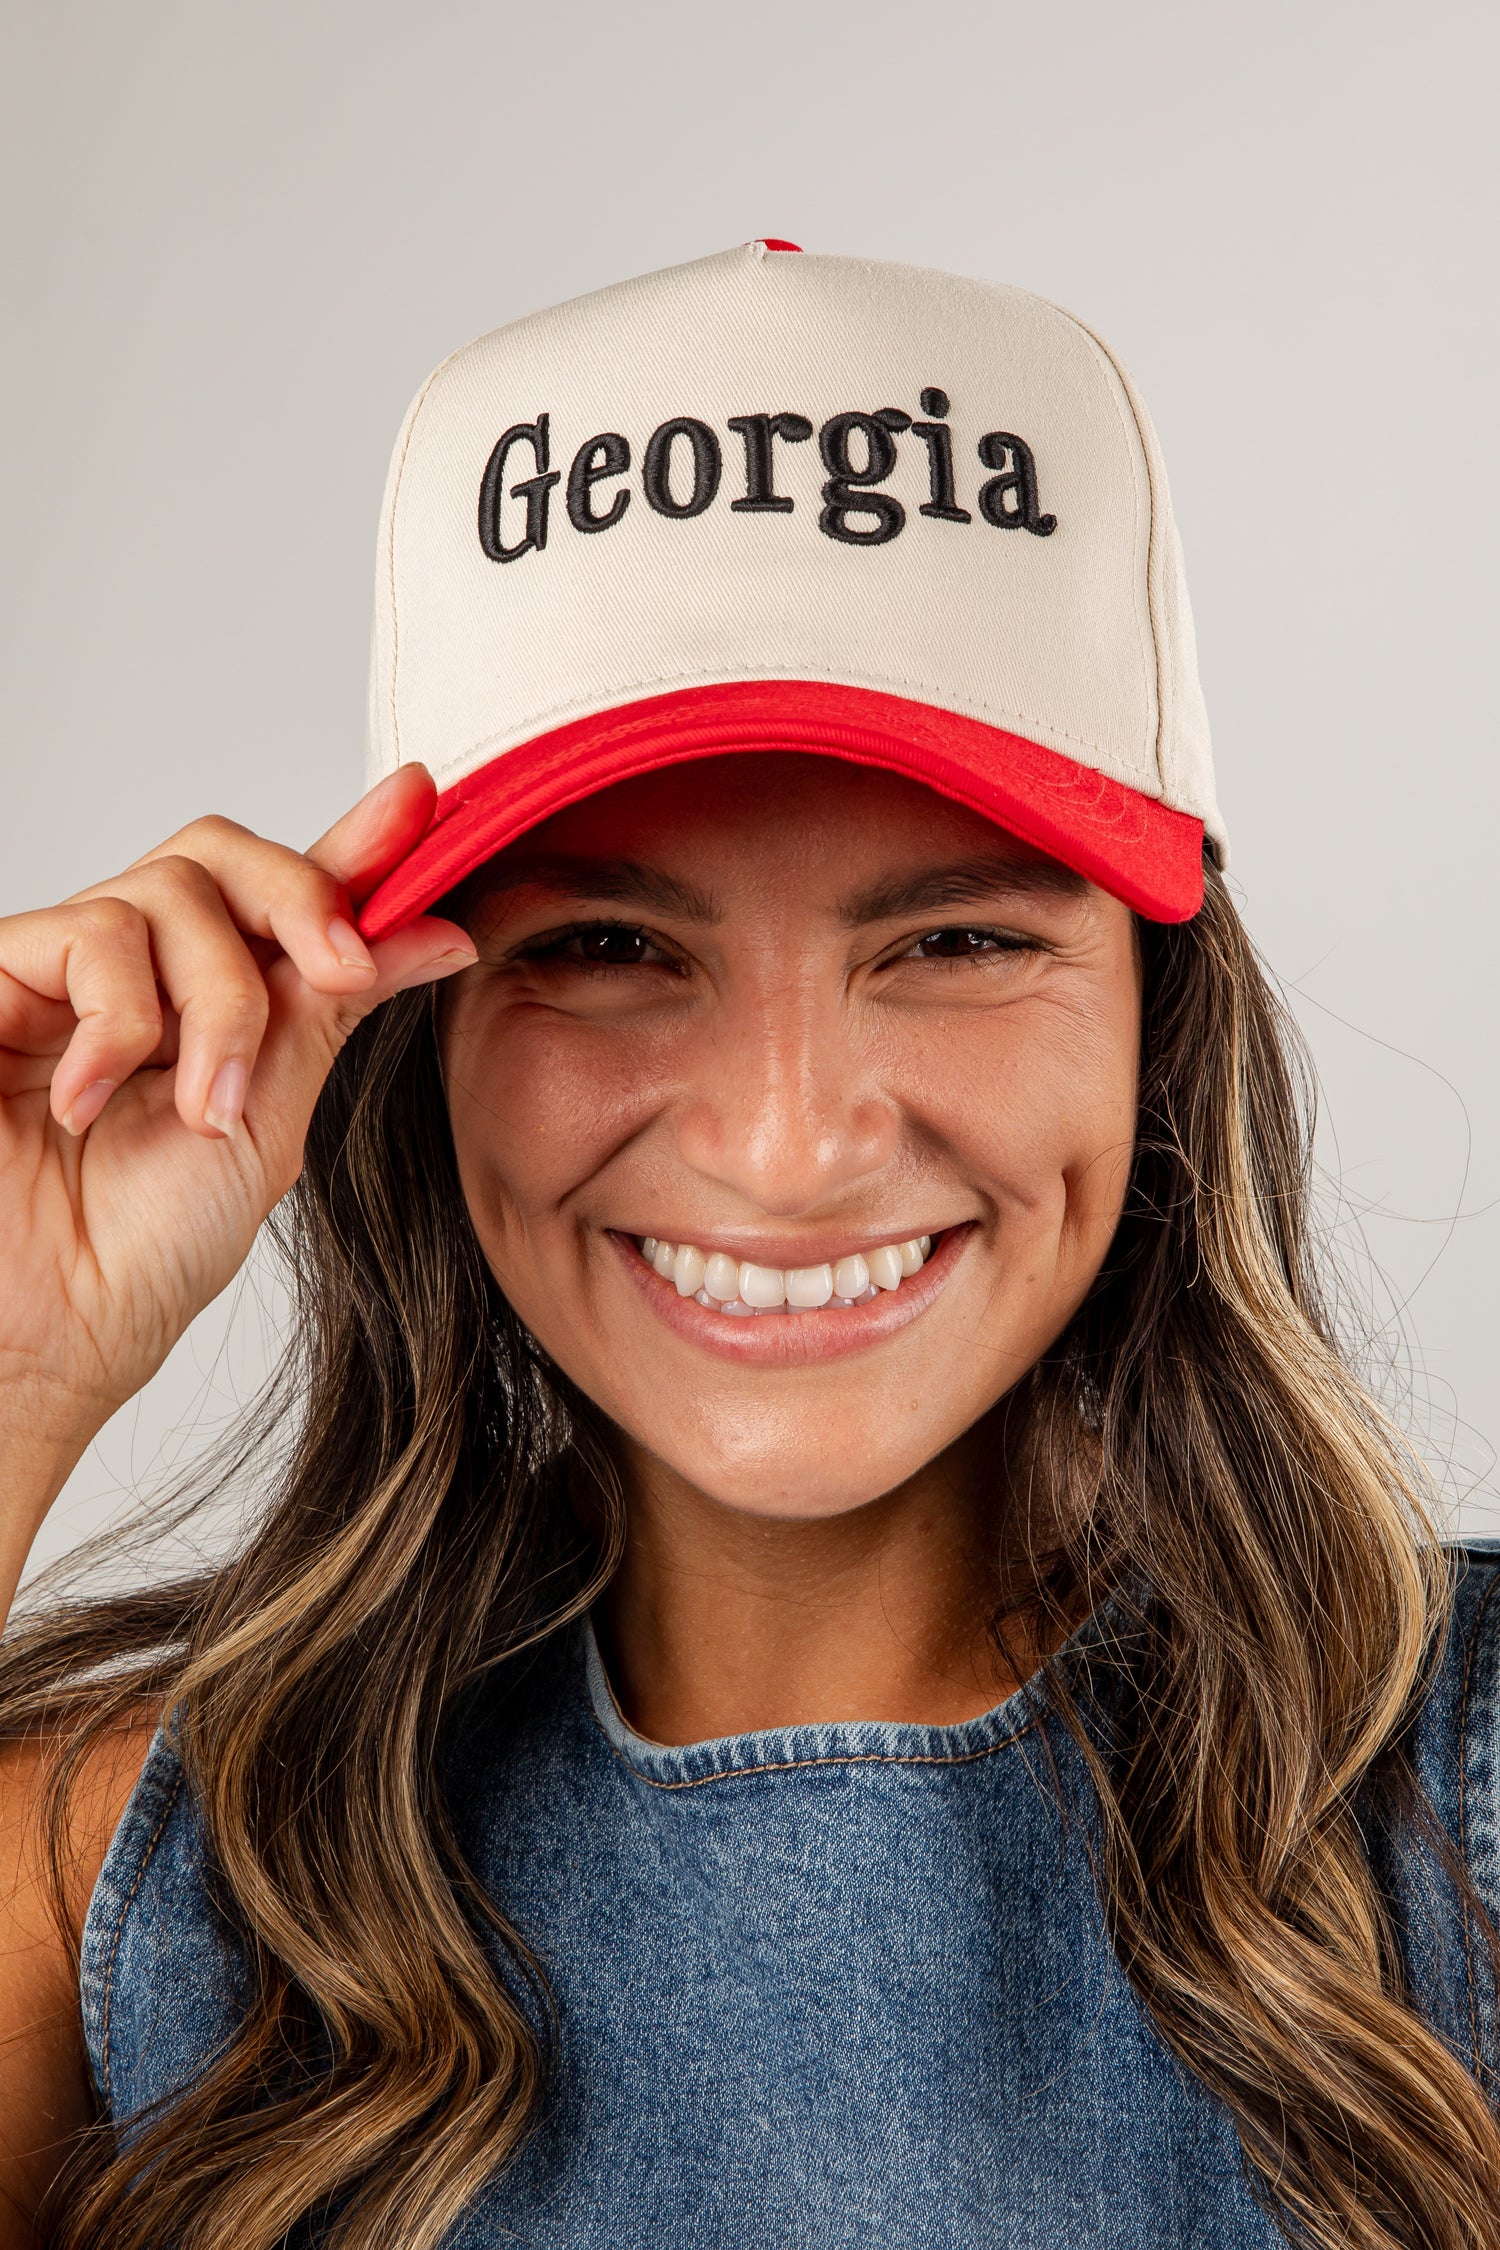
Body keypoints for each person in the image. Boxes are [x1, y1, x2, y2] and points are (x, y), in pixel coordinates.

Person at [0, 241, 1494, 2250]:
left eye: (958, 940)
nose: (788, 1149)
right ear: (417, 1034)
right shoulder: (110, 1865)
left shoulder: (1467, 1797)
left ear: (1159, 1014)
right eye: (608, 949)